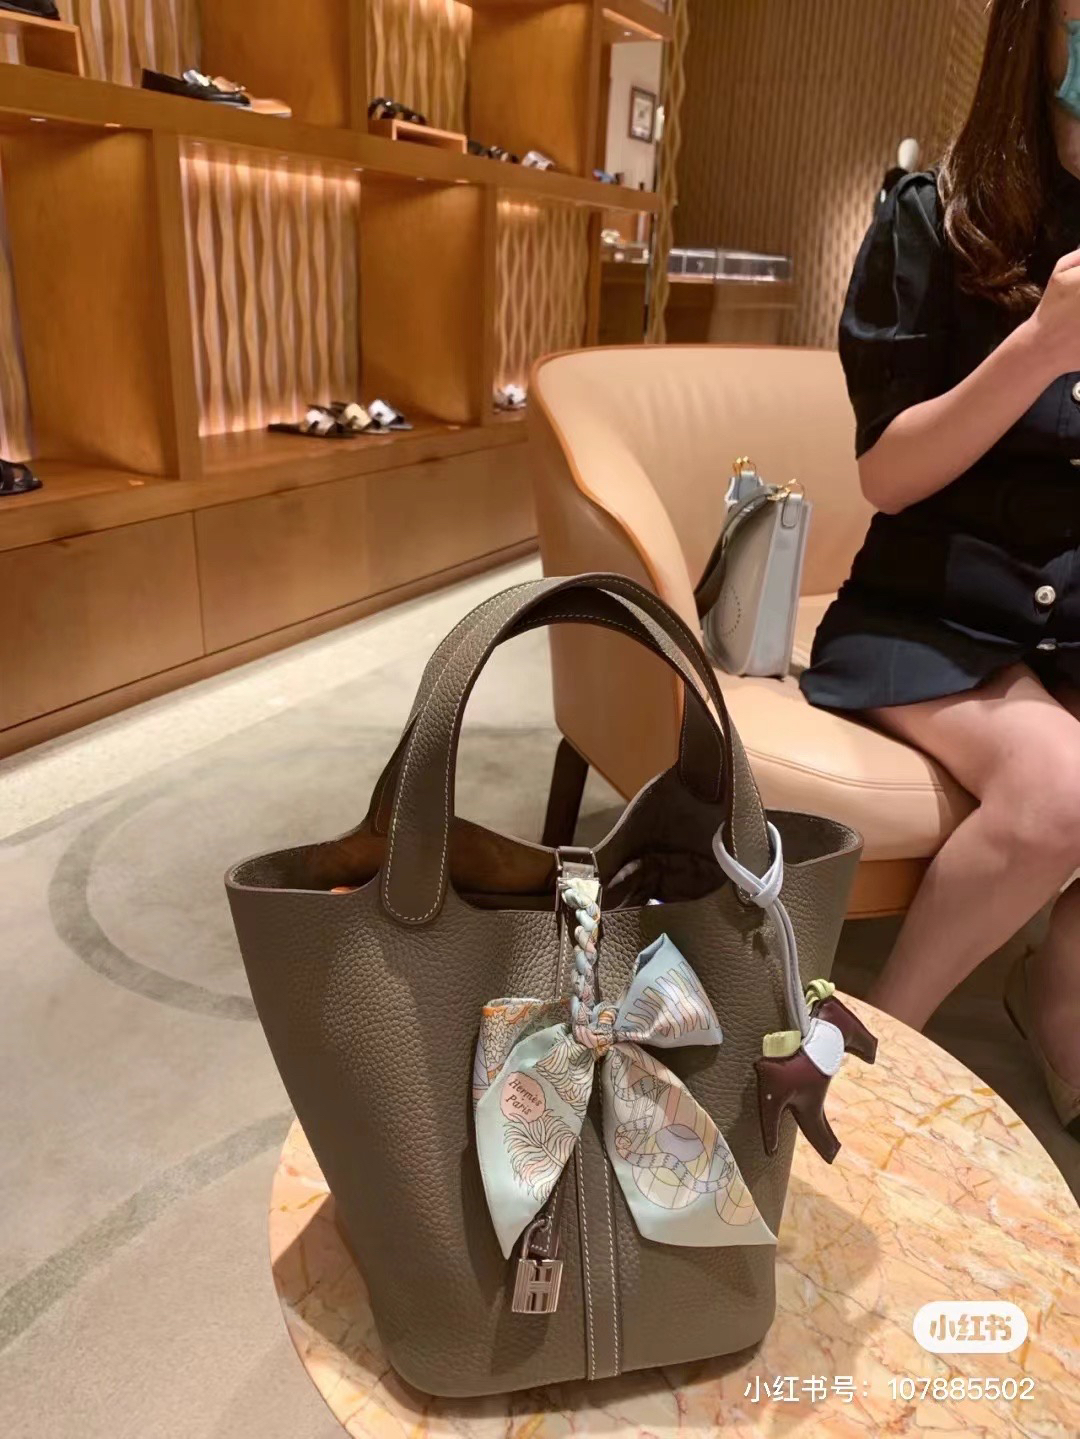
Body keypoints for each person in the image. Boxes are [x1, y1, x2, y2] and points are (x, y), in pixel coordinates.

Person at [800, 0, 1080, 1136]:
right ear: (1036, 30)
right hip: (936, 615)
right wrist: (1041, 347)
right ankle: (862, 1054)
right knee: (1061, 794)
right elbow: (888, 472)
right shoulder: (935, 219)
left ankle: (1058, 999)